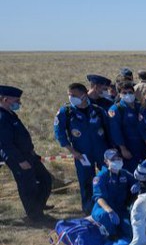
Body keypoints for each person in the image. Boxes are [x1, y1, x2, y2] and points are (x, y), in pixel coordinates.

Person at [54, 82, 111, 213]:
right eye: (69, 95)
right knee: (86, 181)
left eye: (74, 95)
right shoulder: (66, 112)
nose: (71, 97)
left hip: (101, 150)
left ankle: (109, 204)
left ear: (84, 95)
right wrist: (73, 151)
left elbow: (108, 130)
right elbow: (59, 134)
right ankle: (89, 209)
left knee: (108, 177)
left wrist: (111, 150)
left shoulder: (97, 110)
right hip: (82, 153)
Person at [0, 85, 53, 221]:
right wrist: (20, 161)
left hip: (29, 155)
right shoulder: (2, 118)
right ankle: (35, 216)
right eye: (16, 101)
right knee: (28, 187)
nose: (19, 103)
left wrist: (32, 152)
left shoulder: (10, 114)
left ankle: (38, 206)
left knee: (46, 179)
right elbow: (5, 145)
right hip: (19, 158)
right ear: (5, 99)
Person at [91, 148, 134, 239]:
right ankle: (110, 233)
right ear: (106, 161)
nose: (117, 161)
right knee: (107, 220)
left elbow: (135, 180)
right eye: (113, 159)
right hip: (104, 209)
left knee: (129, 231)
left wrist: (136, 184)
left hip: (120, 209)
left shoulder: (124, 173)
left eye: (119, 158)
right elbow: (99, 198)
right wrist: (110, 210)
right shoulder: (101, 177)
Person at [108, 82, 146, 171]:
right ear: (119, 94)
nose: (128, 95)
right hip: (129, 147)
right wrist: (123, 149)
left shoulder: (140, 106)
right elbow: (116, 131)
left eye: (130, 92)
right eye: (124, 93)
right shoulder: (116, 109)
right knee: (132, 172)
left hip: (143, 146)